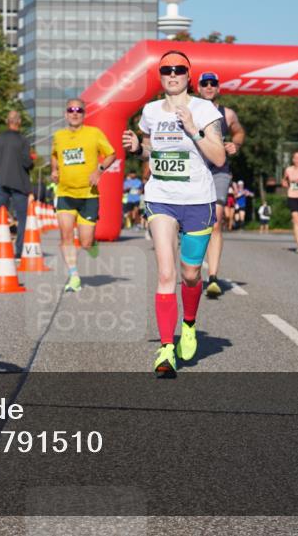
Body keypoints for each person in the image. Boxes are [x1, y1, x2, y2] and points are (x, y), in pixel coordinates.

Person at [122, 51, 227, 377]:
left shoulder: (204, 109)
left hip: (198, 200)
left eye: (178, 69)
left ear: (188, 74)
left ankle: (189, 323)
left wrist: (193, 129)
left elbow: (219, 158)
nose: (172, 74)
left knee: (190, 274)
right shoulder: (150, 111)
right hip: (161, 198)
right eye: (166, 69)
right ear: (160, 75)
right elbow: (152, 150)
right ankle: (167, 349)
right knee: (166, 274)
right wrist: (138, 148)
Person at [50, 98, 116, 292]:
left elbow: (111, 154)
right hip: (65, 193)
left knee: (85, 242)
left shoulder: (94, 133)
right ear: (66, 114)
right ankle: (74, 276)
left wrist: (99, 170)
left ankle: (91, 243)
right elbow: (54, 155)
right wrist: (54, 170)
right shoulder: (59, 136)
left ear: (84, 114)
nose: (75, 113)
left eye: (79, 110)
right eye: (71, 110)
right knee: (66, 235)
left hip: (88, 195)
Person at [196, 71, 246, 297]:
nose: (209, 86)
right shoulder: (189, 110)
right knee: (193, 223)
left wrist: (236, 144)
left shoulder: (227, 114)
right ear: (198, 88)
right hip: (194, 171)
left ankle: (213, 277)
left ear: (218, 88)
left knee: (215, 222)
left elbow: (239, 132)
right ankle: (191, 269)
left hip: (219, 171)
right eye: (204, 83)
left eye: (212, 83)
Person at [0, 110, 33, 258]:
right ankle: (19, 251)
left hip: (1, 182)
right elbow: (27, 163)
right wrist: (31, 163)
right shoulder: (23, 140)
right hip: (19, 184)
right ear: (19, 122)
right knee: (22, 218)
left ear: (7, 121)